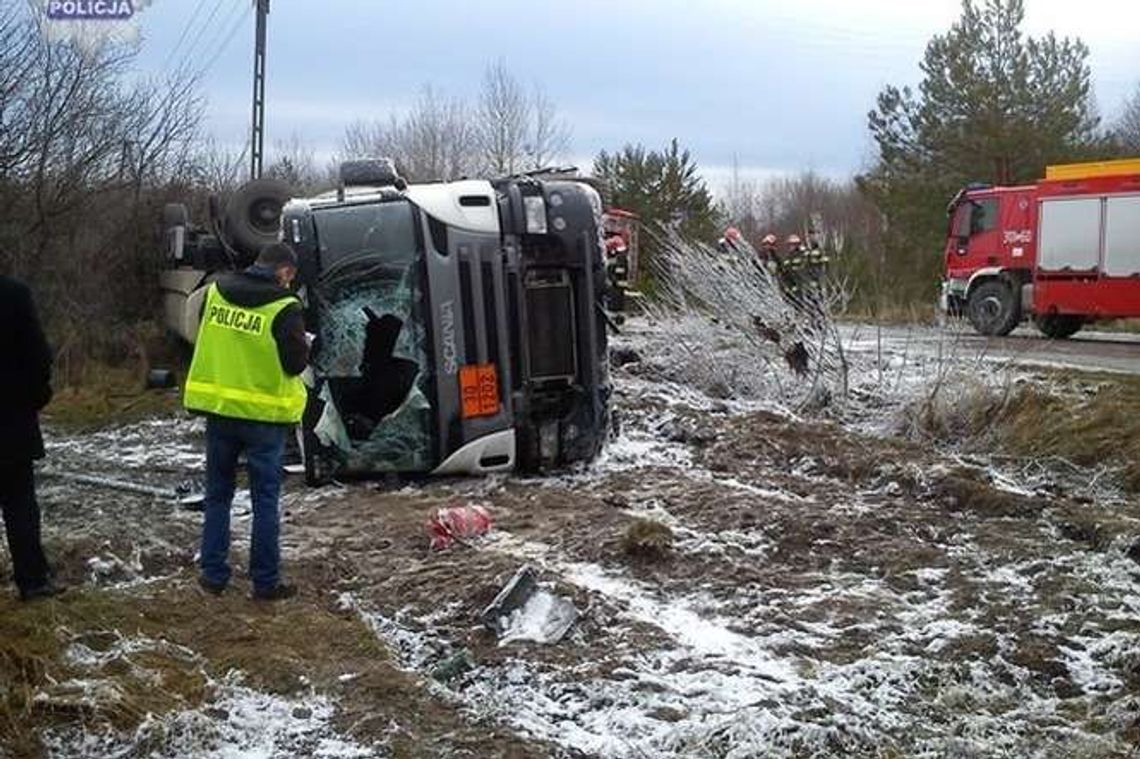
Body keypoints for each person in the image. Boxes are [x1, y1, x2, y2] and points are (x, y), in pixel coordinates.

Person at [184, 243, 309, 601]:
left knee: (218, 494)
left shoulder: (217, 292)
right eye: (290, 276)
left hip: (221, 411)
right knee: (265, 500)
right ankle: (265, 582)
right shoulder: (285, 307)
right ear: (284, 271)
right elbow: (295, 364)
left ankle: (212, 574)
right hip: (262, 419)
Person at [0, 275, 63, 601]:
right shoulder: (14, 294)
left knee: (21, 503)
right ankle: (33, 580)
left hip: (14, 417)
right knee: (20, 505)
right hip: (11, 422)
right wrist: (34, 398)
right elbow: (39, 357)